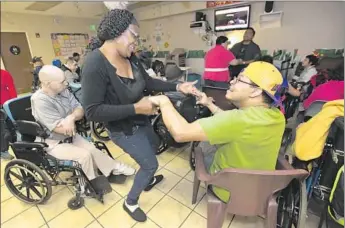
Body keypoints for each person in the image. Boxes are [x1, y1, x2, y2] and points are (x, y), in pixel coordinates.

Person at [81, 9, 198, 222]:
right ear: (118, 33)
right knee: (150, 163)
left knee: (153, 146)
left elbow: (149, 82)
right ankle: (130, 202)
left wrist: (179, 86)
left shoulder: (131, 57)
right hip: (122, 129)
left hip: (142, 120)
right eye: (134, 35)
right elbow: (92, 111)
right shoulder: (94, 64)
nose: (137, 41)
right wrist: (137, 108)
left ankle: (147, 180)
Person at [149, 61, 286, 203]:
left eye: (239, 79)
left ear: (256, 91)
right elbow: (233, 123)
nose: (232, 81)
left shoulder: (236, 120)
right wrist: (209, 104)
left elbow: (180, 133)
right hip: (260, 190)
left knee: (203, 148)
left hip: (229, 192)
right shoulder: (277, 116)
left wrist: (163, 101)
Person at [31, 65, 136, 184]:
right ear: (47, 83)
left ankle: (114, 167)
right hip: (53, 143)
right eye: (62, 82)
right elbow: (61, 130)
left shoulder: (63, 90)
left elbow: (80, 109)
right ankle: (91, 183)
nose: (66, 83)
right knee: (84, 155)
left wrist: (71, 118)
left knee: (92, 148)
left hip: (71, 136)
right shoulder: (40, 100)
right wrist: (71, 120)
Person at [0, 69, 18, 160]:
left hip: (5, 104)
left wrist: (13, 103)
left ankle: (15, 144)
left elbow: (11, 88)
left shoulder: (4, 74)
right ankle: (3, 151)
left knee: (10, 126)